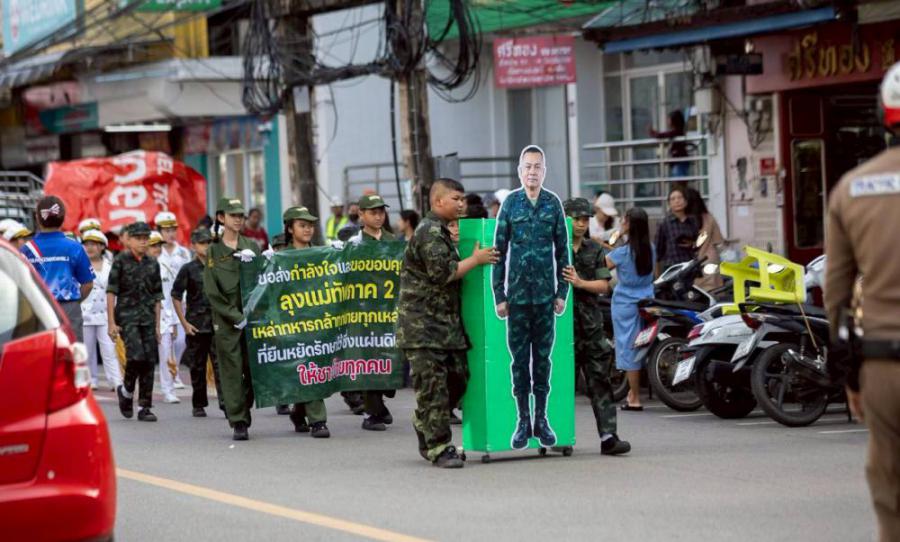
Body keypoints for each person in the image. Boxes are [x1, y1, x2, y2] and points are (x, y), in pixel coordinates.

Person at [824, 62, 900, 542]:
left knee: (890, 487)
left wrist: (850, 374)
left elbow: (836, 296)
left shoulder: (852, 190)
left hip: (883, 367)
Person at [397, 178, 498, 468]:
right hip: (422, 327)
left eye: (463, 199)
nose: (461, 204)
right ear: (438, 201)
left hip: (445, 326)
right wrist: (476, 259)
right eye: (456, 199)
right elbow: (443, 274)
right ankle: (440, 447)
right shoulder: (429, 232)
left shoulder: (443, 232)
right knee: (434, 389)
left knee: (459, 378)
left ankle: (424, 421)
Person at [493, 145, 568, 450]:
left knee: (543, 361)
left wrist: (562, 292)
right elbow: (498, 253)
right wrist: (499, 295)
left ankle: (542, 419)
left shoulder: (553, 204)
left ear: (544, 171)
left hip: (545, 299)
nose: (533, 172)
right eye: (528, 166)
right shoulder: (510, 204)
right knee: (520, 361)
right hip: (518, 299)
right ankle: (523, 421)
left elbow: (563, 252)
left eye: (538, 167)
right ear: (520, 171)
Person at [562, 198, 631, 455]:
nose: (581, 224)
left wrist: (579, 283)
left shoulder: (594, 249)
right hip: (561, 330)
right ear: (564, 219)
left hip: (590, 328)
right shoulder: (552, 249)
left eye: (585, 219)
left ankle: (609, 437)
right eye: (576, 219)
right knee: (561, 385)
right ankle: (558, 435)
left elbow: (604, 286)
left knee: (600, 382)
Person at [204, 197, 260, 441]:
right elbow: (212, 290)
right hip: (227, 320)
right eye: (233, 215)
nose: (238, 219)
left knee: (253, 370)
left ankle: (243, 405)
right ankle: (239, 420)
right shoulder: (214, 251)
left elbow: (264, 282)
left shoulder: (251, 246)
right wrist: (234, 315)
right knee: (232, 371)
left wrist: (256, 263)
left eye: (240, 215)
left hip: (252, 317)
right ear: (221, 218)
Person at [348, 194, 399, 431]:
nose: (378, 216)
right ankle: (373, 412)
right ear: (361, 215)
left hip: (390, 311)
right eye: (373, 212)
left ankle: (380, 404)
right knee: (370, 360)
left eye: (381, 212)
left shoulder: (393, 241)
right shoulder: (355, 244)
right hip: (365, 312)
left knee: (389, 358)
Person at [282, 206, 330, 438]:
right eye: (302, 225)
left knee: (314, 367)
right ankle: (316, 419)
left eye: (310, 225)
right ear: (290, 229)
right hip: (293, 322)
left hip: (319, 320)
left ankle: (305, 413)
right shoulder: (281, 257)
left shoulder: (322, 253)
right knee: (305, 368)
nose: (308, 229)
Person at [108, 222, 163, 423]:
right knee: (136, 356)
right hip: (127, 317)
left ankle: (144, 407)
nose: (143, 242)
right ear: (129, 240)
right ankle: (127, 390)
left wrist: (158, 326)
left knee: (149, 360)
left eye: (145, 238)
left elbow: (157, 296)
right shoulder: (120, 261)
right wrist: (111, 323)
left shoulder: (153, 263)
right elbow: (111, 292)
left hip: (148, 317)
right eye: (138, 238)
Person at [21, 196, 95, 342]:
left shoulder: (26, 249)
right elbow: (88, 284)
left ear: (37, 218)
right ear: (63, 218)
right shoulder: (74, 247)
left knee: (41, 352)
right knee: (73, 351)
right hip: (69, 310)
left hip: (38, 309)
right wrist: (74, 302)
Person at [607, 208, 655, 410]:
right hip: (647, 300)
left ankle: (635, 397)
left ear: (628, 224)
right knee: (641, 345)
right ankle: (632, 393)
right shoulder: (650, 248)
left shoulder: (622, 252)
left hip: (625, 303)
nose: (620, 222)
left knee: (628, 348)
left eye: (623, 220)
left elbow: (601, 267)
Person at [172, 228, 223, 418]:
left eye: (209, 242)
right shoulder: (188, 269)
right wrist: (184, 323)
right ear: (193, 246)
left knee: (220, 366)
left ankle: (226, 403)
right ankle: (199, 404)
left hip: (217, 324)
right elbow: (176, 295)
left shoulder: (218, 266)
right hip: (196, 325)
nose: (206, 246)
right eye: (202, 243)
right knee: (197, 366)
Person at [80, 229, 122, 391]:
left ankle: (116, 381)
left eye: (94, 244)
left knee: (110, 349)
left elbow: (116, 291)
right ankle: (91, 380)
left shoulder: (111, 267)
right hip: (85, 313)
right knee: (87, 350)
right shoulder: (79, 265)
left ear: (102, 247)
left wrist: (115, 317)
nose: (90, 248)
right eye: (87, 244)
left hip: (106, 314)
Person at [155, 211, 190, 391]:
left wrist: (188, 298)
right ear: (159, 231)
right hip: (162, 303)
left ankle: (173, 370)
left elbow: (190, 277)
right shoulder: (156, 252)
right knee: (166, 341)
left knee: (181, 340)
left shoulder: (183, 252)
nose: (170, 234)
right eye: (166, 230)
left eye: (173, 230)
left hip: (179, 301)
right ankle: (171, 375)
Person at [147, 231, 181, 404]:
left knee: (167, 355)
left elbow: (171, 296)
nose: (156, 249)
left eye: (158, 245)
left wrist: (174, 322)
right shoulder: (138, 267)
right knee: (143, 358)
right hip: (145, 317)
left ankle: (169, 390)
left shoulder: (166, 266)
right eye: (153, 245)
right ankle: (142, 393)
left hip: (165, 318)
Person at [686, 188, 724, 290]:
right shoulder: (709, 218)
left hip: (691, 265)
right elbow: (718, 241)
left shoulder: (683, 221)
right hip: (710, 261)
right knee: (712, 292)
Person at [655, 186, 698, 275]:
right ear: (669, 204)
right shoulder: (664, 223)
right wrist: (657, 274)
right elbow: (658, 250)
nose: (677, 201)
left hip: (690, 266)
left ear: (686, 202)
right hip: (672, 267)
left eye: (680, 198)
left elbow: (700, 243)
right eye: (673, 199)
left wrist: (693, 244)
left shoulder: (693, 221)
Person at [651, 110, 689, 178]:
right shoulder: (679, 131)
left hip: (679, 161)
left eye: (669, 119)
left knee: (679, 180)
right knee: (679, 180)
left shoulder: (677, 131)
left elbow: (664, 135)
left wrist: (654, 133)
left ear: (674, 121)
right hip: (679, 161)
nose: (668, 121)